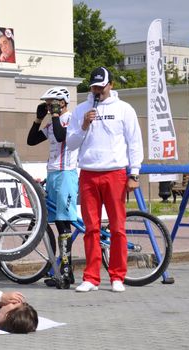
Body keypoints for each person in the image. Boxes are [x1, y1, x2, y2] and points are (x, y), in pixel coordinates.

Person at [67, 67, 143, 293]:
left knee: (118, 228)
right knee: (91, 228)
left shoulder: (124, 109)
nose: (98, 90)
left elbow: (135, 142)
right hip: (89, 173)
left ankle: (117, 276)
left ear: (111, 85)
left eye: (101, 86)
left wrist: (134, 173)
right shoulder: (81, 110)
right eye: (94, 87)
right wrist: (84, 125)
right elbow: (70, 144)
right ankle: (91, 277)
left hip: (115, 173)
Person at [27, 87, 78, 289]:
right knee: (58, 223)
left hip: (66, 173)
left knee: (65, 225)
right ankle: (67, 271)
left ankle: (65, 274)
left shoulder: (71, 119)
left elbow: (59, 136)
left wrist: (56, 114)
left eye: (51, 104)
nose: (48, 107)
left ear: (62, 103)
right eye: (47, 104)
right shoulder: (53, 121)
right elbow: (31, 141)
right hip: (53, 173)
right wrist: (38, 120)